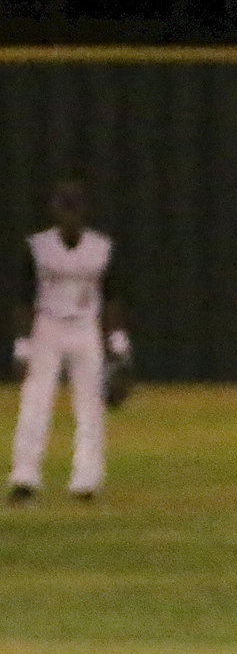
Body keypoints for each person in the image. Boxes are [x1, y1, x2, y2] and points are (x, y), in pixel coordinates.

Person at [8, 176, 131, 504]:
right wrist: (22, 346)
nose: (70, 216)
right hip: (47, 327)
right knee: (35, 402)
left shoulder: (101, 247)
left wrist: (119, 348)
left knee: (90, 405)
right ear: (55, 210)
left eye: (75, 209)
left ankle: (86, 480)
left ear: (84, 212)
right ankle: (24, 478)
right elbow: (24, 299)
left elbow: (112, 298)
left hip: (85, 328)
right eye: (64, 209)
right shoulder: (38, 246)